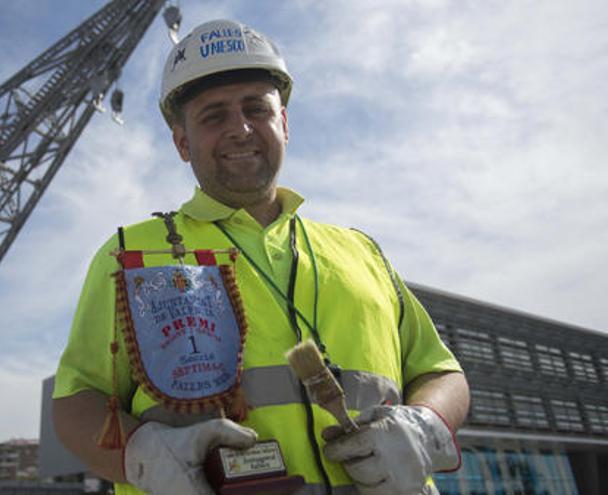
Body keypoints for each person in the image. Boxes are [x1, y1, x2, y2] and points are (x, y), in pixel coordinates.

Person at [52, 19, 469, 495]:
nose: (241, 128)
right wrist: (141, 454)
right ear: (182, 143)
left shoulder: (361, 251)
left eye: (257, 108)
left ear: (284, 124)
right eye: (213, 116)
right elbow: (76, 401)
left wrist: (424, 425)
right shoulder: (131, 255)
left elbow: (441, 372)